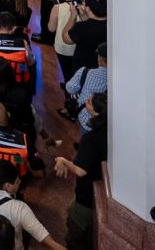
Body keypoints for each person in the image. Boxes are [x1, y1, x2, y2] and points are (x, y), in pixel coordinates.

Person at [0, 160, 66, 250]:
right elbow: (44, 237)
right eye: (17, 181)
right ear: (7, 185)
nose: (20, 182)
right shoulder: (19, 208)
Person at [55, 94, 108, 250]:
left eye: (90, 102)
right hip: (102, 189)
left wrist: (63, 161)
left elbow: (80, 170)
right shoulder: (111, 132)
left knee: (76, 233)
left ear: (98, 112)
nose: (87, 101)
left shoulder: (90, 139)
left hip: (86, 196)